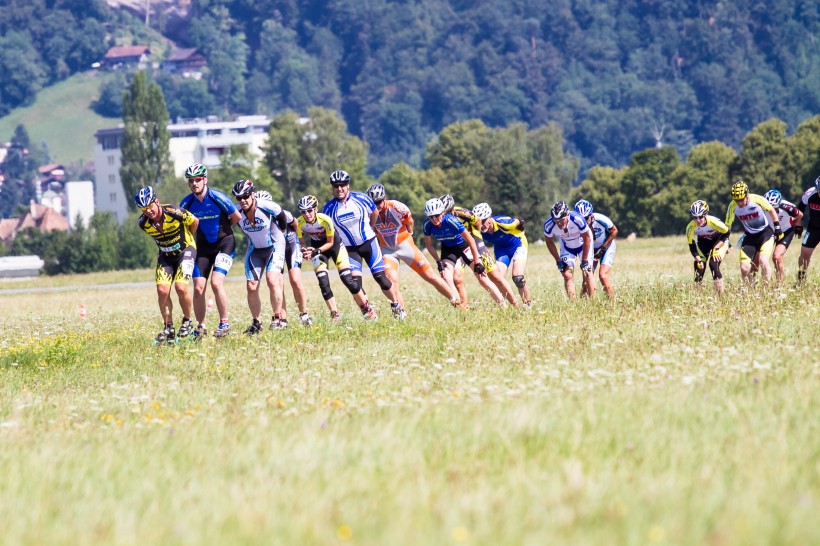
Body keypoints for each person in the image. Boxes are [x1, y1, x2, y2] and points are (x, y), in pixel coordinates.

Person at [322, 170, 407, 320]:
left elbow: (374, 213)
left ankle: (396, 305)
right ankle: (369, 313)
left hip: (369, 243)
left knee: (381, 277)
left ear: (348, 185)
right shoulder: (328, 209)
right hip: (349, 249)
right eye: (336, 186)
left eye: (342, 185)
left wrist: (371, 228)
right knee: (355, 284)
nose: (339, 188)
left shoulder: (361, 198)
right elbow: (328, 230)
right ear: (332, 188)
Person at [367, 183, 463, 310]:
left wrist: (409, 233)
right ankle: (401, 314)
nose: (377, 206)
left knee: (430, 276)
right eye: (373, 203)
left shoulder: (396, 206)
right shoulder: (369, 212)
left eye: (379, 202)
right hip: (388, 250)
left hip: (405, 246)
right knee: (392, 282)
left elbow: (409, 221)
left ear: (384, 198)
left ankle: (455, 302)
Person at [179, 163, 241, 339]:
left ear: (205, 180)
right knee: (198, 288)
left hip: (224, 244)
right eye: (191, 181)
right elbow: (182, 226)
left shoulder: (217, 197)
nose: (194, 184)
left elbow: (236, 216)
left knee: (215, 282)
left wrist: (224, 230)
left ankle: (224, 323)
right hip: (203, 247)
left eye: (198, 180)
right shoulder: (187, 203)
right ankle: (201, 327)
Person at [135, 186, 199, 344]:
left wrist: (187, 238)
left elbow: (194, 222)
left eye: (150, 206)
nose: (148, 211)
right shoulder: (143, 223)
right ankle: (168, 327)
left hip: (186, 251)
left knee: (181, 287)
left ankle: (187, 322)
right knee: (162, 290)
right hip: (165, 256)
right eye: (143, 209)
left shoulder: (173, 212)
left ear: (157, 201)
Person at [297, 194, 371, 320]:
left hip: (334, 246)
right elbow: (302, 242)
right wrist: (304, 250)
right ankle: (335, 314)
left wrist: (316, 251)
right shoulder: (299, 222)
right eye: (303, 211)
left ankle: (366, 308)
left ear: (315, 209)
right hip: (317, 249)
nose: (307, 214)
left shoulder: (325, 220)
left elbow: (330, 242)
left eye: (309, 210)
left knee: (347, 279)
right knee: (323, 282)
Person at [422, 197, 507, 306]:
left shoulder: (450, 221)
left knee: (482, 277)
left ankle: (502, 305)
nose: (434, 219)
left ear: (443, 213)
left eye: (437, 215)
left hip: (463, 245)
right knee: (446, 277)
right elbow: (429, 245)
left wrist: (477, 261)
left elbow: (471, 240)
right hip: (448, 248)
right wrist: (438, 261)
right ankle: (459, 306)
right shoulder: (427, 225)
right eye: (431, 217)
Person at [232, 180, 289, 335]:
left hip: (274, 246)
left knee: (272, 279)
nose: (242, 200)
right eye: (238, 198)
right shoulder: (237, 213)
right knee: (251, 286)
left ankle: (278, 319)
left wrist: (282, 233)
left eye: (245, 196)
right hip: (255, 249)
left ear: (252, 194)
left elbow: (283, 218)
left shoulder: (268, 207)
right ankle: (257, 323)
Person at [441, 194, 518, 306]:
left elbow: (477, 221)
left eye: (447, 212)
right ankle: (464, 310)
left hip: (474, 242)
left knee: (494, 276)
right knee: (456, 278)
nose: (444, 216)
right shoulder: (438, 218)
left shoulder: (462, 213)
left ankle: (515, 305)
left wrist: (476, 235)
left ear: (452, 209)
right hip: (458, 246)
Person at [255, 190, 312, 327]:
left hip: (291, 245)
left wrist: (292, 238)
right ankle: (283, 319)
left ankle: (304, 315)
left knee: (295, 280)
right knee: (277, 283)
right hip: (276, 250)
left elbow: (295, 224)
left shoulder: (283, 213)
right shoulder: (257, 218)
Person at [472, 202, 532, 306]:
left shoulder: (502, 222)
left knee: (518, 277)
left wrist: (520, 227)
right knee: (498, 278)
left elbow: (518, 222)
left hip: (518, 244)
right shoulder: (478, 229)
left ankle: (528, 305)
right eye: (479, 222)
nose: (481, 225)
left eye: (483, 221)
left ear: (490, 217)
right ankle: (505, 306)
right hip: (501, 250)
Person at [725, 180, 780, 284]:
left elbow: (771, 210)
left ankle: (766, 289)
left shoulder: (757, 199)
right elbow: (728, 225)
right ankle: (749, 289)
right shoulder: (732, 206)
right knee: (744, 268)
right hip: (750, 237)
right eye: (736, 200)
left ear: (747, 194)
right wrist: (726, 240)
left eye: (741, 199)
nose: (739, 203)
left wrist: (777, 227)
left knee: (763, 261)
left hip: (765, 234)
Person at [543, 200, 595, 300]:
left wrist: (584, 260)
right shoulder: (549, 225)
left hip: (583, 244)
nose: (559, 223)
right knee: (567, 275)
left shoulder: (577, 219)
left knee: (587, 271)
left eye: (562, 220)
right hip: (567, 246)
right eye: (556, 221)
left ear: (567, 215)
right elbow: (549, 242)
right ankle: (573, 305)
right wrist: (558, 261)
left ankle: (593, 302)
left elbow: (587, 238)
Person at [573, 199, 618, 298]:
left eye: (587, 218)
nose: (585, 221)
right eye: (582, 218)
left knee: (603, 276)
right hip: (591, 250)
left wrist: (602, 249)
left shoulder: (601, 219)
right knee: (586, 280)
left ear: (591, 215)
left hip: (606, 246)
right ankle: (584, 306)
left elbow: (614, 231)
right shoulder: (576, 226)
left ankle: (613, 303)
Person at [685, 200, 731, 294]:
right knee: (699, 268)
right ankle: (698, 296)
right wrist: (698, 260)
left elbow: (727, 232)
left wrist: (716, 247)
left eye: (700, 217)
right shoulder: (690, 227)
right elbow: (691, 245)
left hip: (719, 241)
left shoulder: (713, 222)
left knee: (713, 264)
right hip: (703, 243)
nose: (698, 220)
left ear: (705, 215)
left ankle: (720, 296)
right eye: (695, 217)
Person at [763, 189, 803, 284]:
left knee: (776, 257)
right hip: (771, 231)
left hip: (786, 231)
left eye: (775, 208)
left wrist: (796, 225)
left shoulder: (787, 207)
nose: (772, 211)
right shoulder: (762, 206)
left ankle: (779, 284)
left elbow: (800, 214)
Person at [794, 176, 820, 285]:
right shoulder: (810, 194)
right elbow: (800, 210)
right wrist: (799, 225)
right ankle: (801, 280)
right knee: (804, 254)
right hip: (813, 228)